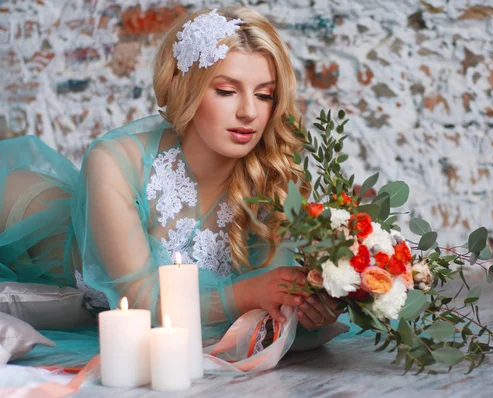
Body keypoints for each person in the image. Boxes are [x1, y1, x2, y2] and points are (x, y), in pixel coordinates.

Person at [0, 7, 344, 366]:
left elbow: (279, 292)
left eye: (264, 95)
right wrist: (251, 293)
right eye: (227, 91)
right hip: (17, 218)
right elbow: (144, 302)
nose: (249, 112)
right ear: (186, 87)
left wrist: (308, 302)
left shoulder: (271, 176)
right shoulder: (114, 162)